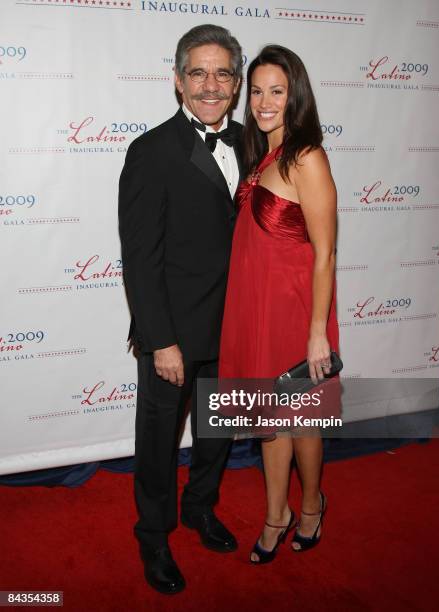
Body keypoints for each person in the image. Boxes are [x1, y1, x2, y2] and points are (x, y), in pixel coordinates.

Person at [118, 24, 243, 594]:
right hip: (174, 327)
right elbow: (141, 257)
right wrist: (159, 337)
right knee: (158, 437)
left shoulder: (254, 143)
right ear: (177, 81)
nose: (210, 84)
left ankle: (200, 508)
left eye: (222, 72)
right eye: (198, 72)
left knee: (219, 431)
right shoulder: (151, 151)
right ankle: (154, 535)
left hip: (237, 323)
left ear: (236, 83)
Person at [219, 45, 340, 563]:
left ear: (296, 97)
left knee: (304, 419)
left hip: (295, 314)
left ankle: (310, 506)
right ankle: (278, 515)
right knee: (271, 421)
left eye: (277, 91)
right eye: (258, 91)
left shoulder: (307, 157)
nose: (264, 101)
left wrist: (317, 331)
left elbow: (326, 252)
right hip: (257, 310)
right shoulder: (263, 157)